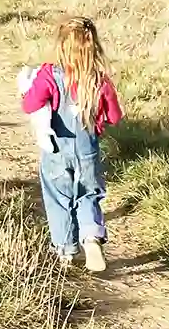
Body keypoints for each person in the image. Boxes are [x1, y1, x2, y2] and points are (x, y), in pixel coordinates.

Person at [18, 16, 124, 272]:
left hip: (55, 149)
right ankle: (91, 238)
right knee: (89, 194)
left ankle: (65, 252)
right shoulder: (99, 80)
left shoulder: (49, 76)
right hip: (88, 149)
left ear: (61, 46)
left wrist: (25, 91)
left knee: (58, 197)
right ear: (93, 47)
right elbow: (115, 116)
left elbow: (29, 105)